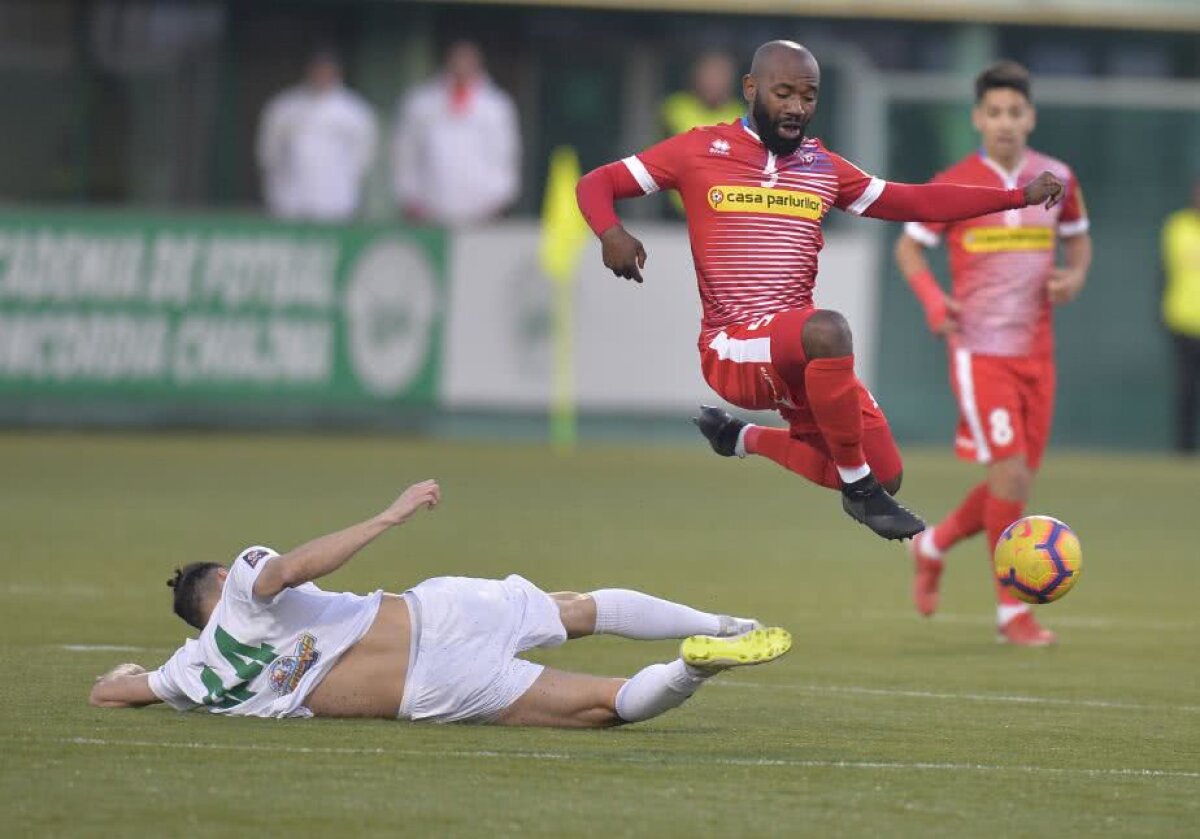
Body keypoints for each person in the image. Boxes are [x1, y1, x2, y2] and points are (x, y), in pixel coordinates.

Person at [575, 40, 1065, 542]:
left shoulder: (823, 167)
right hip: (732, 346)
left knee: (887, 471)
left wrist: (1014, 196)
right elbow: (596, 183)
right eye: (783, 92)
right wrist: (611, 232)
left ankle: (743, 438)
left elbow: (913, 199)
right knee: (831, 339)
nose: (796, 107)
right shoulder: (697, 149)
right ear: (750, 89)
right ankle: (860, 494)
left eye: (808, 96)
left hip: (800, 350)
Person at [88, 480, 791, 728]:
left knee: (602, 704)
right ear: (219, 585)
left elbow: (107, 693)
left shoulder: (191, 672)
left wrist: (133, 672)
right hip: (434, 611)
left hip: (430, 686)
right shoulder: (243, 581)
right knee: (575, 606)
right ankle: (722, 623)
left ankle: (697, 667)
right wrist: (387, 517)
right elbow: (293, 567)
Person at [894, 61, 1092, 646]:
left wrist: (1074, 280)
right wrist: (934, 301)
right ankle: (1014, 615)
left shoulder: (1058, 178)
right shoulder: (956, 183)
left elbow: (1079, 247)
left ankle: (932, 545)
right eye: (994, 113)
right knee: (1008, 473)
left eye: (1015, 112)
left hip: (1038, 353)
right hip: (979, 352)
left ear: (1030, 117)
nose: (1005, 122)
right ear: (978, 118)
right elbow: (909, 249)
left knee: (1016, 483)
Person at [391, 40, 521, 226]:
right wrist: (410, 197)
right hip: (430, 209)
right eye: (457, 59)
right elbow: (405, 153)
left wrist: (499, 199)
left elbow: (507, 154)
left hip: (483, 211)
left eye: (467, 59)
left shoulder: (497, 105)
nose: (462, 65)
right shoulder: (421, 103)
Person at [255, 49, 379, 221]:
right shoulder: (285, 106)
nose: (322, 75)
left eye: (327, 71)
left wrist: (349, 182)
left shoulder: (354, 110)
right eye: (318, 70)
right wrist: (276, 188)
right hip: (290, 198)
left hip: (336, 199)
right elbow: (269, 150)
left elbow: (364, 154)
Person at [661, 51, 745, 215]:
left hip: (720, 212)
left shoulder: (740, 116)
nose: (714, 82)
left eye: (721, 76)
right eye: (710, 75)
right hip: (671, 212)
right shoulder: (675, 109)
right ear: (697, 76)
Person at [1161, 177, 1200, 454]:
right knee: (1186, 389)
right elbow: (1163, 272)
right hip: (1182, 319)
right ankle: (1183, 449)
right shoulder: (1177, 226)